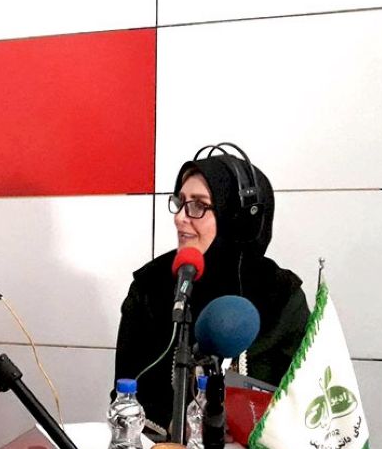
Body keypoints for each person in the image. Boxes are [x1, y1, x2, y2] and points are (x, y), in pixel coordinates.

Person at [114, 148, 309, 432]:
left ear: (239, 219)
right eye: (180, 202)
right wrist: (177, 428)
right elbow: (124, 396)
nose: (180, 217)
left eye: (198, 205)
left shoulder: (280, 295)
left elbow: (305, 405)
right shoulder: (151, 286)